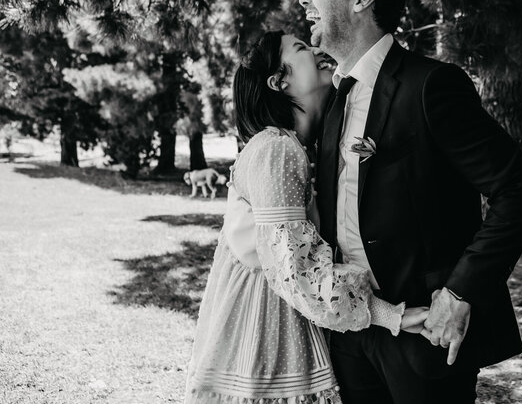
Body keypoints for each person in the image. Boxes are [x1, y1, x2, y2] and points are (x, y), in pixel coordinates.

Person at [299, 0, 522, 404]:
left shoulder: (431, 85)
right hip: (353, 328)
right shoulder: (335, 98)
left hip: (424, 332)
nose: (306, 0)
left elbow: (521, 189)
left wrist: (460, 292)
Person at [184, 31, 429, 404]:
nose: (316, 50)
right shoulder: (277, 150)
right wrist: (390, 315)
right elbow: (295, 270)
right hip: (267, 329)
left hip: (290, 318)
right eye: (300, 48)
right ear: (280, 81)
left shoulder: (291, 146)